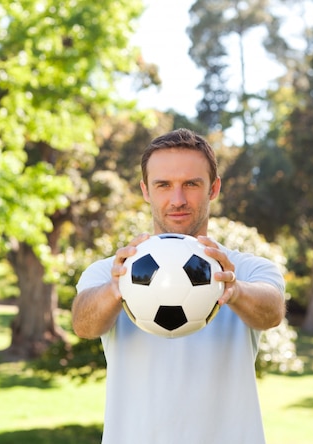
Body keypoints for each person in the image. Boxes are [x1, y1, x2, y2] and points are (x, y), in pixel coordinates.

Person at [72, 128, 286, 444]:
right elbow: (82, 323)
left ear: (213, 188)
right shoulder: (112, 271)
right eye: (163, 185)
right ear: (146, 190)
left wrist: (235, 290)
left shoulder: (246, 269)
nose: (178, 199)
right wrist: (115, 289)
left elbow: (272, 312)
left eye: (191, 184)